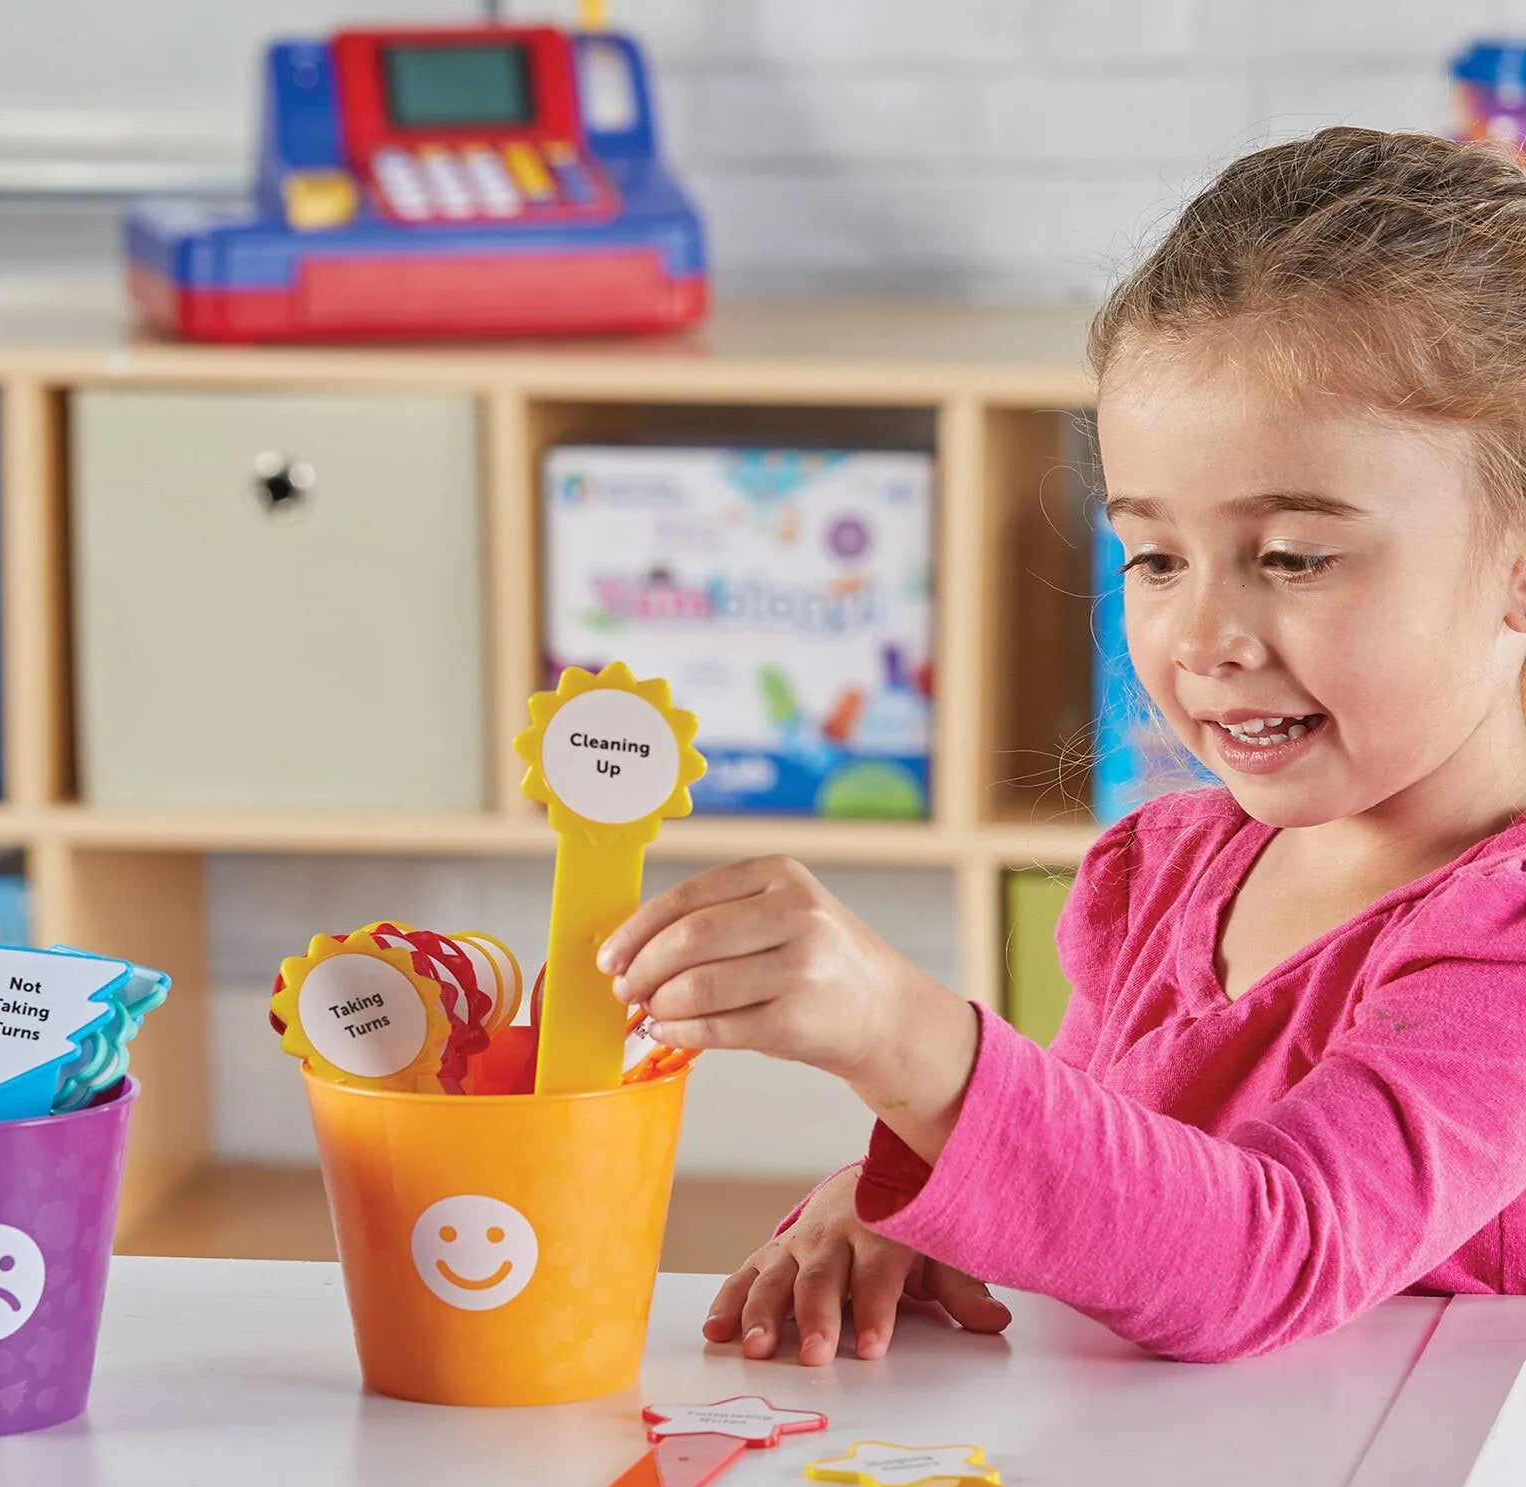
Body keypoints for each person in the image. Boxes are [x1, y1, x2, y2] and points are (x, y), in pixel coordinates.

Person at [597, 127, 1526, 1364]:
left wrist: (904, 1041)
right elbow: (1107, 1172)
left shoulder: (1501, 939)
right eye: (1153, 556)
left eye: (1294, 557)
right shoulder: (1167, 870)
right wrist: (909, 1207)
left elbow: (1275, 1248)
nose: (1202, 636)